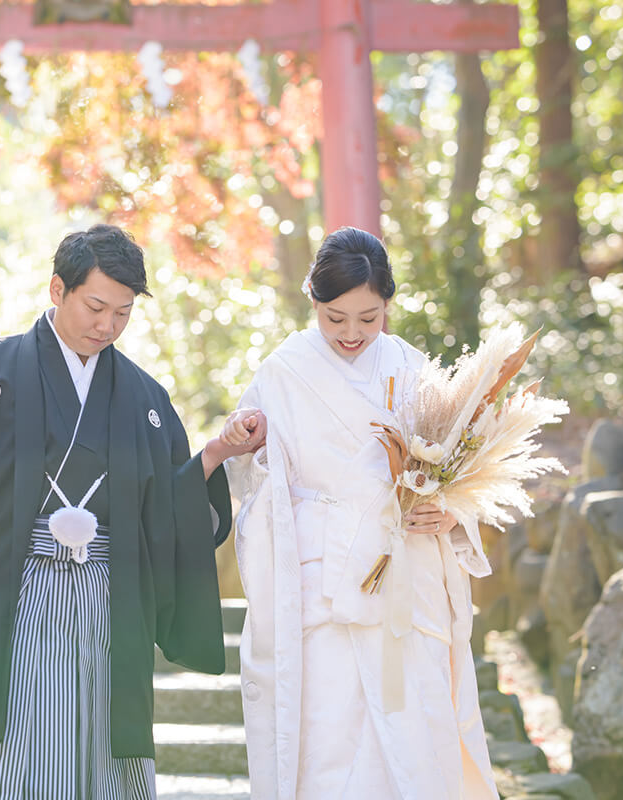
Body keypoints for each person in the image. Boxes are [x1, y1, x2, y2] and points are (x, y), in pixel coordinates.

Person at [0, 224, 263, 799]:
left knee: (105, 744)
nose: (106, 326)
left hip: (108, 594)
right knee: (1, 748)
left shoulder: (144, 398)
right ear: (58, 289)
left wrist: (219, 452)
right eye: (96, 306)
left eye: (123, 314)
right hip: (5, 590)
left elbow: (168, 505)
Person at [221, 227, 498, 800]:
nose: (352, 334)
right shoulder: (283, 371)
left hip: (408, 574)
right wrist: (241, 442)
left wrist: (447, 513)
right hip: (320, 581)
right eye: (335, 318)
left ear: (388, 304)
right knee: (330, 739)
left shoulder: (415, 367)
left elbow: (460, 473)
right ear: (314, 302)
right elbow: (250, 480)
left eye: (368, 319)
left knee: (417, 729)